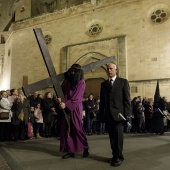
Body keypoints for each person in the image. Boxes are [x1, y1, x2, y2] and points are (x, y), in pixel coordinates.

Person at [99, 63, 131, 167]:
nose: (109, 70)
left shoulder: (123, 82)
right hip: (108, 116)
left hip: (119, 115)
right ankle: (114, 155)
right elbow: (102, 102)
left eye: (111, 69)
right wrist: (101, 115)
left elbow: (127, 101)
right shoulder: (103, 84)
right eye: (108, 69)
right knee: (112, 138)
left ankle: (119, 157)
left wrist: (127, 116)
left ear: (116, 70)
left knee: (118, 138)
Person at [58, 64, 89, 159]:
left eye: (75, 71)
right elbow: (61, 93)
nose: (72, 73)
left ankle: (85, 147)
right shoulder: (66, 82)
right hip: (66, 108)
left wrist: (66, 103)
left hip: (75, 108)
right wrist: (59, 99)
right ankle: (70, 150)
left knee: (77, 129)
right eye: (71, 71)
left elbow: (77, 97)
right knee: (66, 129)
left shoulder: (81, 82)